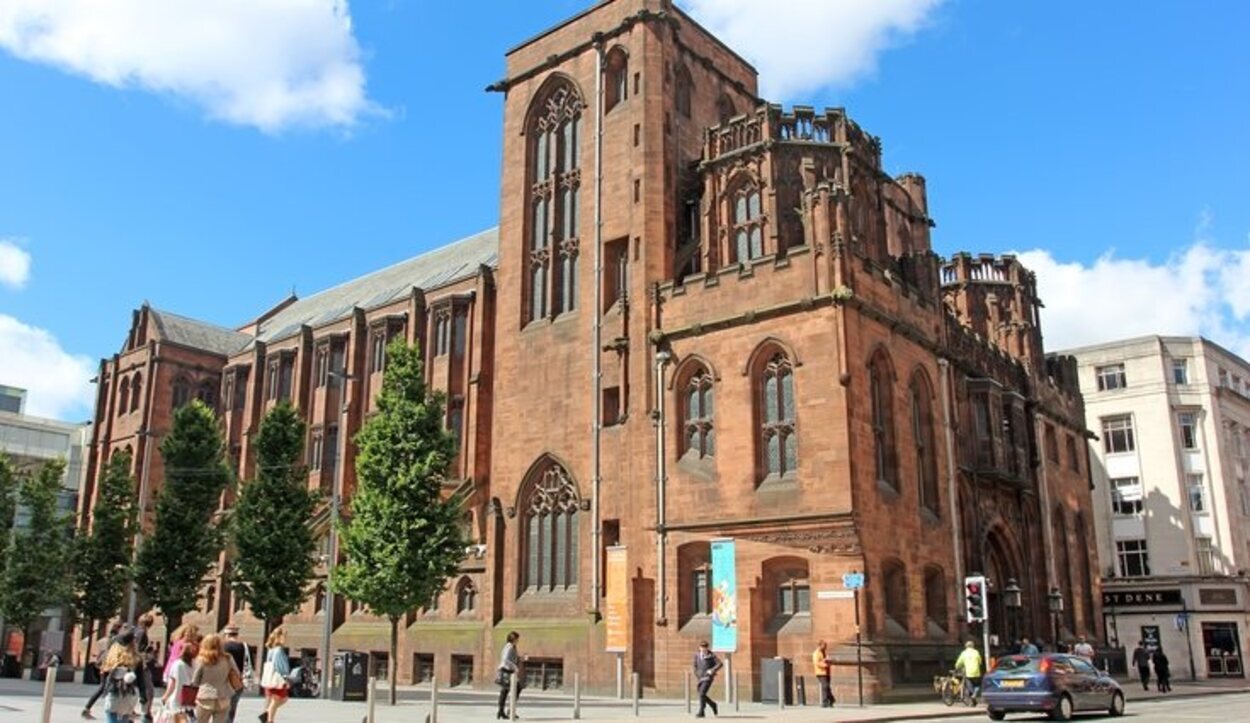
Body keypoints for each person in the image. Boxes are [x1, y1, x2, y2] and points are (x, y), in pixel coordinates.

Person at [191, 634, 240, 723]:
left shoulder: (201, 660)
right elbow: (236, 673)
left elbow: (195, 680)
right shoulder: (228, 658)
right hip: (224, 696)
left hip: (205, 697)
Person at [99, 629, 143, 723]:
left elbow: (105, 678)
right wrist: (144, 697)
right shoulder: (137, 659)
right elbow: (141, 681)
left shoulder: (111, 658)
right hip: (129, 695)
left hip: (114, 693)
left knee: (111, 717)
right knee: (124, 719)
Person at [83, 622, 126, 719]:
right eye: (123, 628)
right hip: (110, 666)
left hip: (106, 665)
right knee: (108, 688)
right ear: (119, 629)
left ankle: (87, 708)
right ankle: (87, 708)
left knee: (104, 688)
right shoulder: (116, 639)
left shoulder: (111, 638)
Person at [161, 638, 198, 723]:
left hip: (176, 696)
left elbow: (172, 683)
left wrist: (165, 696)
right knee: (184, 717)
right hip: (189, 696)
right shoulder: (194, 664)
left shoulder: (177, 664)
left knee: (176, 719)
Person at [260, 627, 292, 723]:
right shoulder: (278, 650)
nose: (286, 639)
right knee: (278, 700)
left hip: (270, 678)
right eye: (285, 636)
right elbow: (280, 666)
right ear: (280, 637)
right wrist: (286, 679)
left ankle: (267, 716)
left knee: (273, 701)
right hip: (277, 679)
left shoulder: (271, 649)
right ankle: (269, 719)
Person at [221, 625, 250, 723]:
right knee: (232, 708)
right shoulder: (244, 646)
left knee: (221, 708)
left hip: (223, 680)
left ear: (226, 634)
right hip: (237, 681)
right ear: (237, 634)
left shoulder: (223, 646)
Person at [135, 613, 157, 723]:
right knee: (149, 690)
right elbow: (139, 649)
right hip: (141, 665)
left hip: (138, 664)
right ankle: (146, 713)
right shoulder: (142, 632)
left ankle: (144, 712)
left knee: (144, 689)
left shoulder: (137, 631)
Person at [496, 631, 522, 720]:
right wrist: (515, 667)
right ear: (513, 639)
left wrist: (519, 659)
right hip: (507, 672)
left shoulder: (511, 647)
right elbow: (505, 659)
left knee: (505, 691)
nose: (518, 640)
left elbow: (511, 658)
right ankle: (509, 711)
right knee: (516, 689)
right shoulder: (510, 647)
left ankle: (502, 711)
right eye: (517, 639)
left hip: (507, 671)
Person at [693, 641, 723, 718]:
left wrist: (712, 670)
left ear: (707, 648)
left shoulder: (711, 655)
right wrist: (696, 673)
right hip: (700, 677)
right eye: (702, 647)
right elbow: (695, 665)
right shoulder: (697, 655)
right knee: (701, 694)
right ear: (699, 648)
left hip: (708, 677)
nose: (703, 649)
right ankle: (713, 704)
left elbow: (720, 664)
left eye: (705, 647)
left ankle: (701, 711)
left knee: (702, 693)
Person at [811, 640, 834, 708]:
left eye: (826, 646)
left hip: (827, 672)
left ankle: (831, 700)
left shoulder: (824, 652)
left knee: (827, 687)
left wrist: (829, 661)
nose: (825, 647)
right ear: (820, 645)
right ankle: (825, 702)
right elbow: (816, 662)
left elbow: (827, 660)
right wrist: (825, 664)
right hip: (820, 672)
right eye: (824, 646)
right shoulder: (816, 653)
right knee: (825, 686)